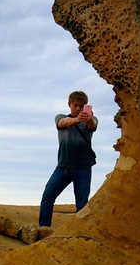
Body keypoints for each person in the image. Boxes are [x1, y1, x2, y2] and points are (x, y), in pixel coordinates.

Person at [38, 91, 98, 227]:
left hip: (83, 168)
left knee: (82, 205)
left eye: (82, 106)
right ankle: (44, 229)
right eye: (76, 105)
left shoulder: (91, 120)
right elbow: (63, 123)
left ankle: (80, 233)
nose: (78, 109)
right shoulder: (60, 117)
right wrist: (77, 119)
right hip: (63, 167)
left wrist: (88, 119)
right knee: (47, 197)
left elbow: (93, 125)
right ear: (69, 104)